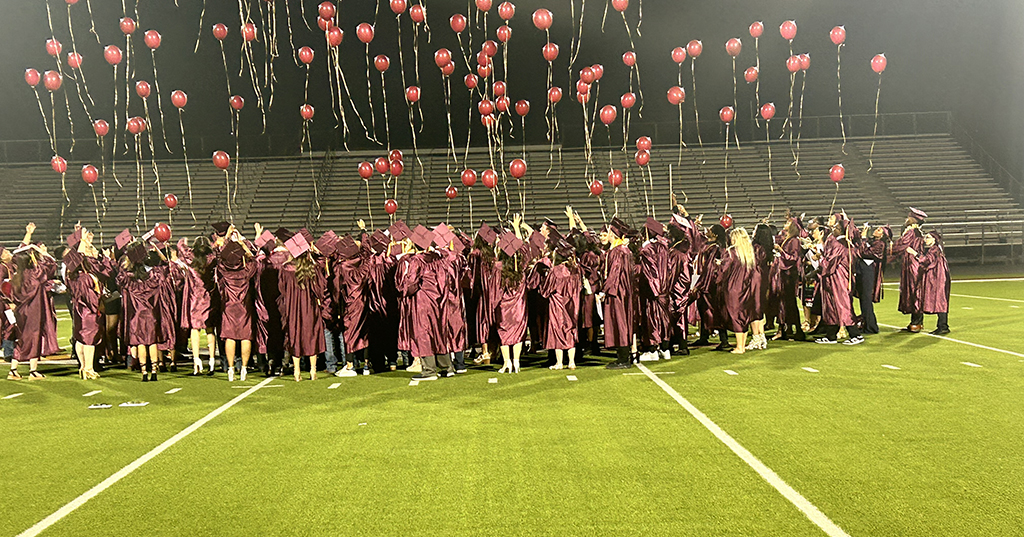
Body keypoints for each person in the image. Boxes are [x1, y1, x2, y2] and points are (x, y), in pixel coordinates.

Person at [8, 223, 58, 380]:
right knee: (34, 337)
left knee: (22, 338)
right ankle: (33, 371)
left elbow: (18, 253)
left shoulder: (18, 275)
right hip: (34, 310)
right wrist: (44, 253)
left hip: (22, 311)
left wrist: (28, 234)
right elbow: (51, 266)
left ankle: (13, 370)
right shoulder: (34, 273)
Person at [65, 227, 115, 379]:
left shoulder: (73, 276)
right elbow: (105, 272)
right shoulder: (86, 277)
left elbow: (81, 258)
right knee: (89, 341)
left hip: (79, 310)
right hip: (89, 311)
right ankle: (89, 368)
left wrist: (85, 241)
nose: (94, 252)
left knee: (80, 339)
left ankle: (82, 367)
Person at [277, 235, 328, 381]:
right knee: (311, 335)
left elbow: (282, 290)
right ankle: (313, 371)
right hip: (309, 308)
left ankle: (297, 372)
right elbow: (319, 290)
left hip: (292, 308)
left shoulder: (286, 269)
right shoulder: (312, 269)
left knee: (295, 336)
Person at [118, 242, 167, 381]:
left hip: (136, 317)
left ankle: (144, 372)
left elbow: (119, 277)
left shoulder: (129, 280)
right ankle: (154, 371)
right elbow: (165, 266)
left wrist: (129, 260)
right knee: (151, 343)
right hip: (150, 315)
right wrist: (156, 251)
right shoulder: (152, 277)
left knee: (140, 343)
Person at [216, 228, 259, 381]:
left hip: (228, 307)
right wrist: (243, 245)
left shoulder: (224, 271)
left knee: (230, 337)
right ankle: (244, 369)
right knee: (245, 337)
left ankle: (231, 369)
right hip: (244, 307)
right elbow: (254, 259)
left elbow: (218, 257)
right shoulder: (246, 271)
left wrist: (227, 238)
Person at [815, 215, 864, 345]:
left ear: (843, 231)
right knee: (831, 306)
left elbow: (830, 263)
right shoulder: (841, 242)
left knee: (843, 305)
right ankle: (831, 335)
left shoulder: (839, 244)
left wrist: (820, 260)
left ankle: (855, 334)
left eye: (836, 227)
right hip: (833, 278)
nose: (833, 228)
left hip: (839, 279)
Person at [599, 219, 636, 369]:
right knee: (624, 322)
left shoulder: (617, 252)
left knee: (620, 322)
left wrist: (605, 290)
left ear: (613, 235)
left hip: (617, 292)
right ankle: (624, 355)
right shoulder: (625, 251)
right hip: (625, 291)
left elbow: (614, 274)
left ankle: (623, 358)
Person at [541, 245, 582, 370]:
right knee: (570, 330)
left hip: (557, 305)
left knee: (557, 331)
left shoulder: (556, 271)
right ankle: (571, 362)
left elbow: (546, 291)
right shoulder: (576, 269)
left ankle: (559, 363)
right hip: (572, 304)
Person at [718, 228, 757, 354]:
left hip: (733, 288)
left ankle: (740, 347)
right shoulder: (748, 253)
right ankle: (742, 344)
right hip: (746, 287)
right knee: (743, 316)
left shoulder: (731, 252)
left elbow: (724, 270)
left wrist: (718, 265)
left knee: (735, 316)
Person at [891, 208, 927, 332]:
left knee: (914, 292)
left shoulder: (911, 232)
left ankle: (916, 323)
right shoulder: (917, 232)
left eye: (909, 217)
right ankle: (918, 321)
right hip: (914, 264)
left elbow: (900, 246)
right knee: (916, 291)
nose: (906, 219)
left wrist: (886, 249)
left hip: (913, 265)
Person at [911, 231, 950, 335]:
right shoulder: (936, 249)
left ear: (934, 239)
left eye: (928, 237)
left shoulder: (934, 250)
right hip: (938, 277)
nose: (925, 240)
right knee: (940, 301)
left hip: (938, 278)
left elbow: (926, 260)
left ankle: (943, 326)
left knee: (940, 301)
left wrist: (915, 254)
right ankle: (942, 325)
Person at [857, 224, 892, 335]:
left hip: (869, 273)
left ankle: (871, 326)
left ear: (882, 235)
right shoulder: (874, 242)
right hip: (864, 271)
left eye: (878, 230)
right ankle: (866, 323)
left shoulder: (880, 244)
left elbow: (865, 253)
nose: (875, 230)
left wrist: (863, 238)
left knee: (866, 299)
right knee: (863, 299)